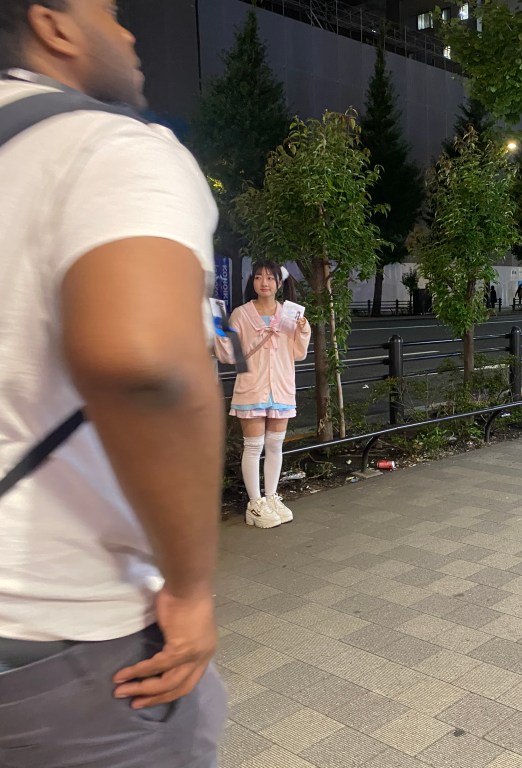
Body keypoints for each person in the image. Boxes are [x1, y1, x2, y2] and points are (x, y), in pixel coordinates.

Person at [0, 1, 226, 764]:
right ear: (54, 26)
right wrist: (190, 589)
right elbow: (145, 363)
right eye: (111, 11)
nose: (130, 35)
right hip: (55, 634)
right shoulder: (108, 147)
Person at [215, 262, 310, 529]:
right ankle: (255, 503)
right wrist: (218, 328)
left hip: (281, 387)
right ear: (252, 282)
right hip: (252, 387)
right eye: (258, 277)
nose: (264, 283)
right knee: (254, 446)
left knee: (275, 445)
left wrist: (303, 329)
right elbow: (229, 354)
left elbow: (298, 353)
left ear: (279, 283)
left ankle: (271, 497)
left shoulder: (290, 314)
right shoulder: (241, 314)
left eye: (270, 278)